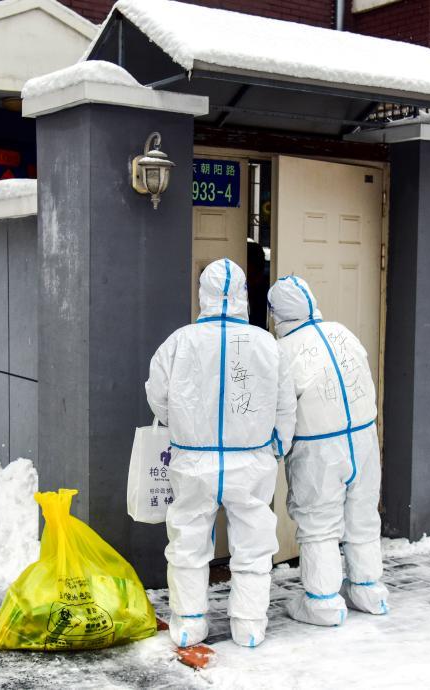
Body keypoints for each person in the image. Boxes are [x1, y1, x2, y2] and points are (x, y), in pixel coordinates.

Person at [146, 258, 296, 649]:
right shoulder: (267, 344)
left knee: (188, 541)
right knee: (253, 544)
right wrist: (277, 445)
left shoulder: (179, 342)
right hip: (251, 460)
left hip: (194, 460)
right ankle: (248, 625)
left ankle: (189, 622)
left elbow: (157, 395)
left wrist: (182, 427)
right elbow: (285, 404)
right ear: (244, 295)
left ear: (204, 294)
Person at [267, 275, 389, 627]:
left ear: (278, 313)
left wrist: (276, 447)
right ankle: (368, 590)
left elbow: (283, 410)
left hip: (318, 448)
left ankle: (322, 603)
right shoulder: (342, 333)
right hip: (363, 439)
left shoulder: (283, 351)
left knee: (319, 524)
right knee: (362, 516)